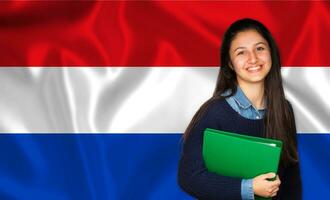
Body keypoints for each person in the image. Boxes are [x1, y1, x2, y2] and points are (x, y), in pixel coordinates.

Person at [178, 18, 302, 200]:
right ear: (230, 63)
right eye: (241, 52)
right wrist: (249, 188)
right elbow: (189, 177)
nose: (253, 58)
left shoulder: (284, 110)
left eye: (260, 48)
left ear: (271, 54)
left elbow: (291, 181)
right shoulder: (214, 113)